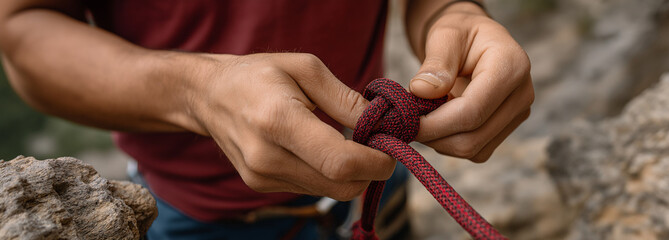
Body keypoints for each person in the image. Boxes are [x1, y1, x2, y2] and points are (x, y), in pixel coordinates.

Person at [0, 0, 533, 239]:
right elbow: (24, 28)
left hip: (377, 186)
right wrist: (197, 92)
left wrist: (452, 13)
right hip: (198, 217)